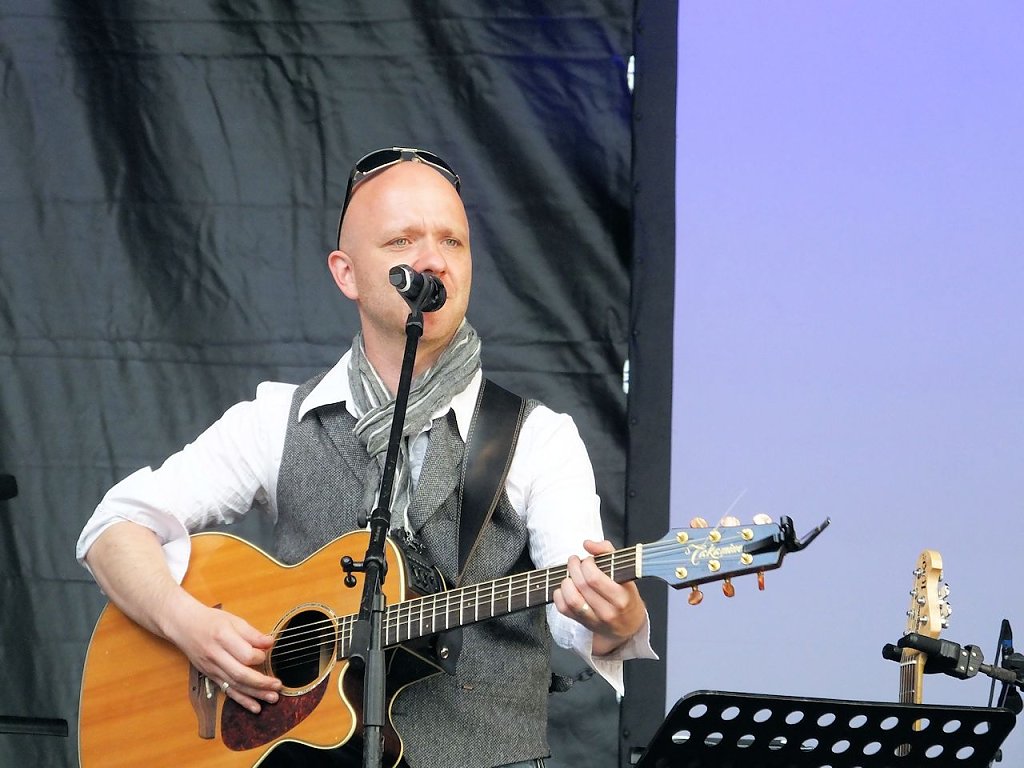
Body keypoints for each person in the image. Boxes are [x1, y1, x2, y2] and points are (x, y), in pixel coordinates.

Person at [77, 147, 655, 768]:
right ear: (346, 273)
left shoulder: (538, 438)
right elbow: (113, 529)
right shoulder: (276, 420)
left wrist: (614, 619)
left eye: (453, 242)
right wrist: (188, 625)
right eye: (402, 240)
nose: (433, 260)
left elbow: (579, 612)